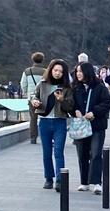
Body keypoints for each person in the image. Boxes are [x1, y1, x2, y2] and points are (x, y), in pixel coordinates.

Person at [30, 59, 74, 192]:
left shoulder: (67, 87)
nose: (58, 73)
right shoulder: (43, 84)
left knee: (59, 152)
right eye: (55, 70)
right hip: (44, 121)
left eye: (61, 71)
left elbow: (69, 107)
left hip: (60, 121)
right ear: (50, 70)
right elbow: (33, 95)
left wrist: (61, 99)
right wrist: (35, 101)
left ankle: (60, 180)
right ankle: (48, 178)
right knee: (46, 152)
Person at [72, 62, 110, 195]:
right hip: (81, 125)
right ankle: (84, 182)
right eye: (77, 71)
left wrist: (94, 112)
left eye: (81, 71)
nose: (78, 74)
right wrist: (75, 110)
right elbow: (70, 104)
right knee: (82, 154)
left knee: (95, 153)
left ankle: (96, 182)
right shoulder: (75, 88)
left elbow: (107, 103)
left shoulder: (100, 87)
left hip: (97, 126)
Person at [21, 52, 46, 144]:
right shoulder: (45, 71)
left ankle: (33, 138)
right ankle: (46, 137)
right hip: (43, 98)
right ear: (42, 60)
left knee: (33, 118)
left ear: (33, 60)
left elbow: (23, 84)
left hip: (31, 98)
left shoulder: (27, 71)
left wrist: (25, 93)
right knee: (45, 118)